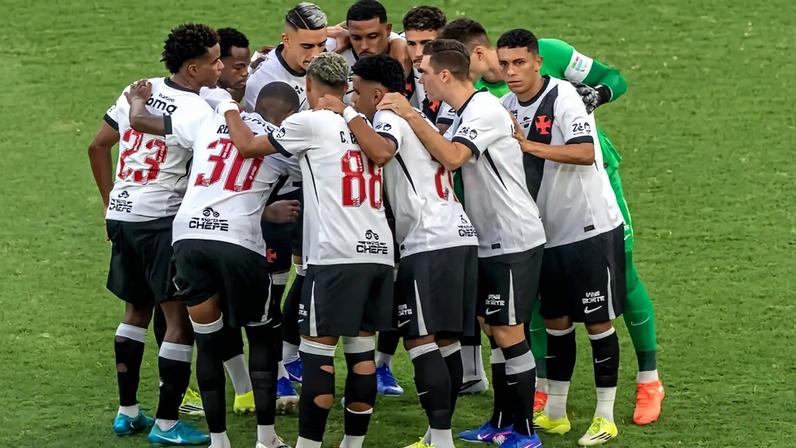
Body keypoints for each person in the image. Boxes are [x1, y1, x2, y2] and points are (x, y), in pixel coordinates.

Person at [221, 52, 394, 448]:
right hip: (378, 253)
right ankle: (353, 445)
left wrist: (230, 106)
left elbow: (247, 146)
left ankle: (308, 446)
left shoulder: (309, 121)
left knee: (318, 354)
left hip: (335, 255)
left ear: (309, 88)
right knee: (361, 354)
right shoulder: (364, 124)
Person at [378, 39, 545, 448]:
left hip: (512, 236)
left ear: (445, 75)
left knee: (508, 331)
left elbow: (452, 157)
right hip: (486, 238)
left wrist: (410, 115)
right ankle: (500, 422)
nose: (423, 81)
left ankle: (524, 432)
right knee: (493, 328)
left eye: (425, 74)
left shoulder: (485, 109)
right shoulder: (466, 113)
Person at [316, 53, 478, 448]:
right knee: (447, 341)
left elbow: (382, 151)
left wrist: (344, 113)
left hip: (428, 241)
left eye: (355, 91)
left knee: (420, 340)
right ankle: (437, 434)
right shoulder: (415, 114)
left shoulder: (388, 116)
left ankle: (441, 440)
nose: (352, 98)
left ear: (375, 93)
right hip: (457, 235)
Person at [87, 22, 221, 445]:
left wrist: (111, 204)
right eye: (214, 61)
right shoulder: (198, 111)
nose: (219, 68)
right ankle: (166, 425)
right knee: (176, 319)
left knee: (134, 311)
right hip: (162, 220)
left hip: (125, 216)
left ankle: (127, 413)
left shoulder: (136, 89)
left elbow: (97, 145)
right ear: (193, 68)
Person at [498, 28, 626, 446]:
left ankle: (605, 417)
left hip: (587, 227)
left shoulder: (564, 96)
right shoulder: (503, 105)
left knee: (597, 321)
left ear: (537, 61)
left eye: (519, 63)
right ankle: (555, 412)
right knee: (555, 322)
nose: (512, 72)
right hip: (546, 232)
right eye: (505, 65)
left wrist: (530, 146)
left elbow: (585, 151)